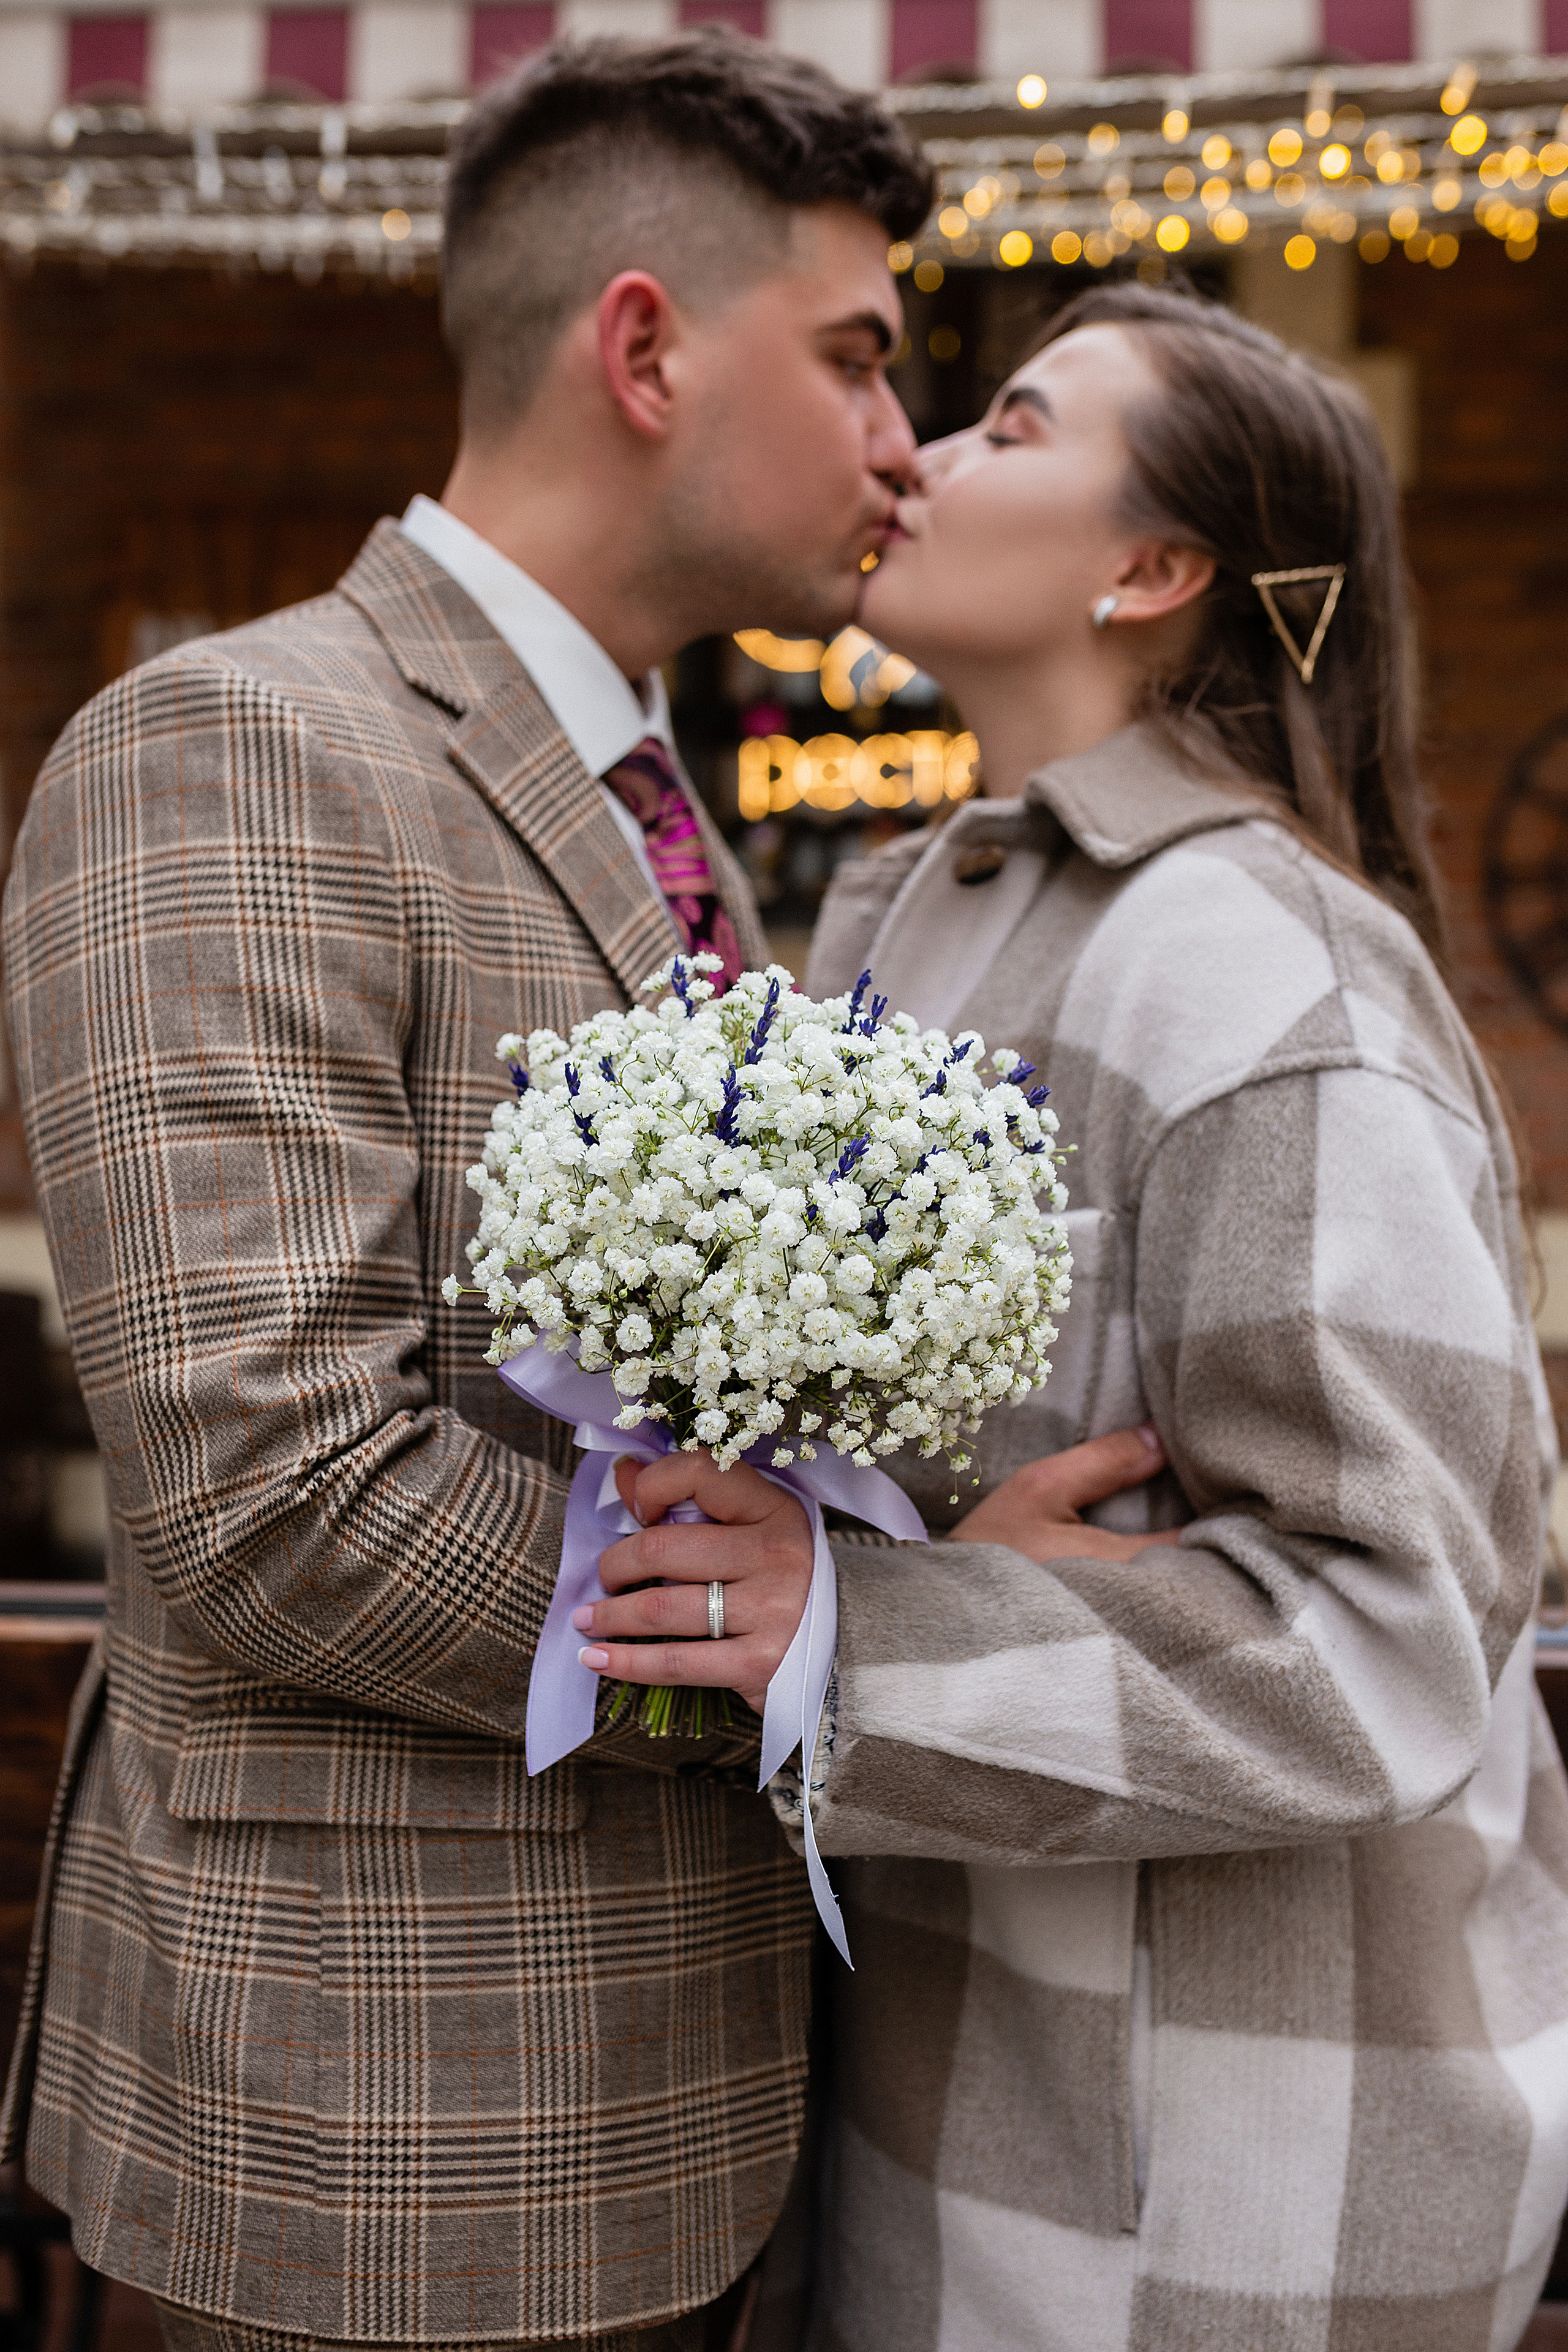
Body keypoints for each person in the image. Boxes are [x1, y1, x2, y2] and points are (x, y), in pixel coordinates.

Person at [0, 31, 930, 2352]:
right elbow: (269, 1488)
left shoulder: (655, 799)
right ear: (643, 346)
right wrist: (815, 1654)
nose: (901, 445)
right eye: (859, 358)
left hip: (695, 2108)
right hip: (379, 2122)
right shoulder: (240, 744)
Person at [583, 282, 1568, 2351]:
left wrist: (876, 1625)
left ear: (1153, 569)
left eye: (1013, 426)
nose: (921, 455)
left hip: (1222, 2188)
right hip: (942, 2118)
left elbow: (1396, 1629)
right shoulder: (914, 907)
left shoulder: (1264, 968)